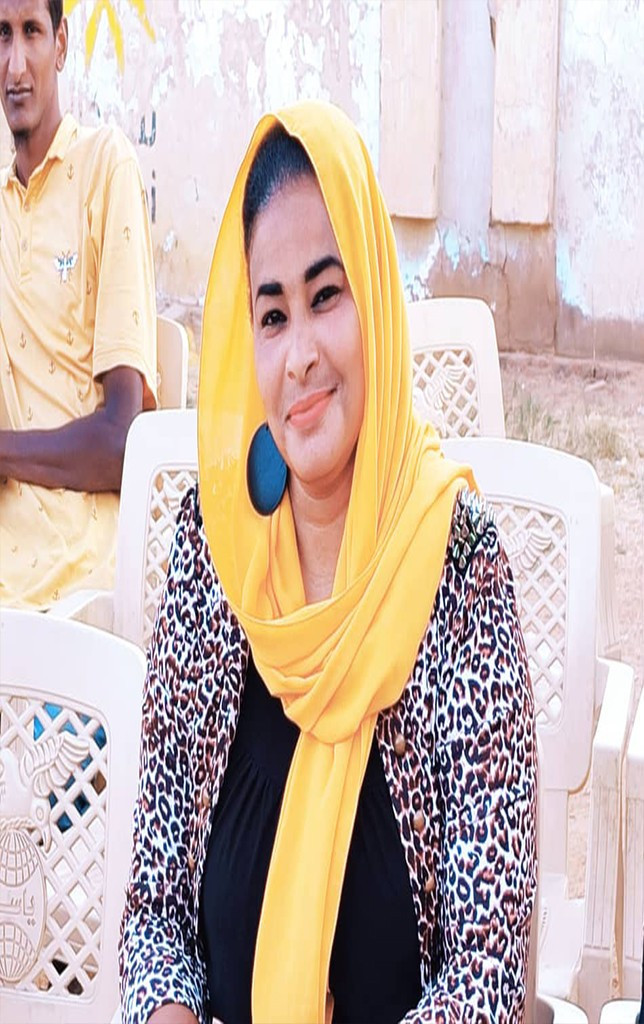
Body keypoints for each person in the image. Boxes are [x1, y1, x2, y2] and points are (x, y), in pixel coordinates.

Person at [119, 101, 537, 1024]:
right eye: (272, 315)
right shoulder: (213, 549)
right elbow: (154, 914)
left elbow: (486, 973)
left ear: (375, 299)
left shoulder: (457, 564)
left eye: (326, 296)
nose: (300, 355)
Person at [0, 0, 157, 609]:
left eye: (31, 32)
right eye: (2, 36)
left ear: (61, 44)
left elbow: (122, 443)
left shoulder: (104, 168)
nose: (16, 65)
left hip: (79, 577)